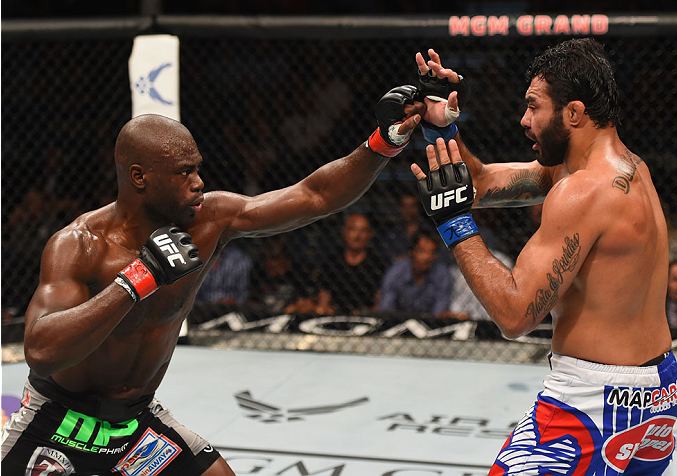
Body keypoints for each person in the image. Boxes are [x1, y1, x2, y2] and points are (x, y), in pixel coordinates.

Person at [0, 82, 424, 475]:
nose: (198, 183)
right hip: (58, 421)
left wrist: (384, 143)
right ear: (139, 177)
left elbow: (316, 196)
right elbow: (41, 350)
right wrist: (135, 281)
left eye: (197, 169)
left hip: (136, 424)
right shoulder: (79, 245)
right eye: (184, 172)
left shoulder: (211, 220)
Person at [411, 40, 677, 475]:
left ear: (572, 113)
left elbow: (516, 315)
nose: (524, 120)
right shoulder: (625, 168)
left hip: (593, 405)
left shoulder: (584, 192)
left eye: (534, 106)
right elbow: (477, 183)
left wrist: (453, 223)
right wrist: (442, 126)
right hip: (654, 395)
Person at [315, 212, 390, 315]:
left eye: (362, 230)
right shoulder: (332, 261)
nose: (357, 236)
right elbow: (323, 299)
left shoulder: (378, 262)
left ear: (370, 234)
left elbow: (380, 301)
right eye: (352, 229)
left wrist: (367, 313)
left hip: (368, 318)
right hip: (334, 316)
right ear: (344, 232)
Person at [378, 230, 452, 316]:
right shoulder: (396, 272)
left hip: (430, 323)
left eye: (432, 252)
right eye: (422, 251)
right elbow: (386, 309)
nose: (427, 257)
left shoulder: (442, 274)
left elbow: (439, 312)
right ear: (412, 252)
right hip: (396, 321)